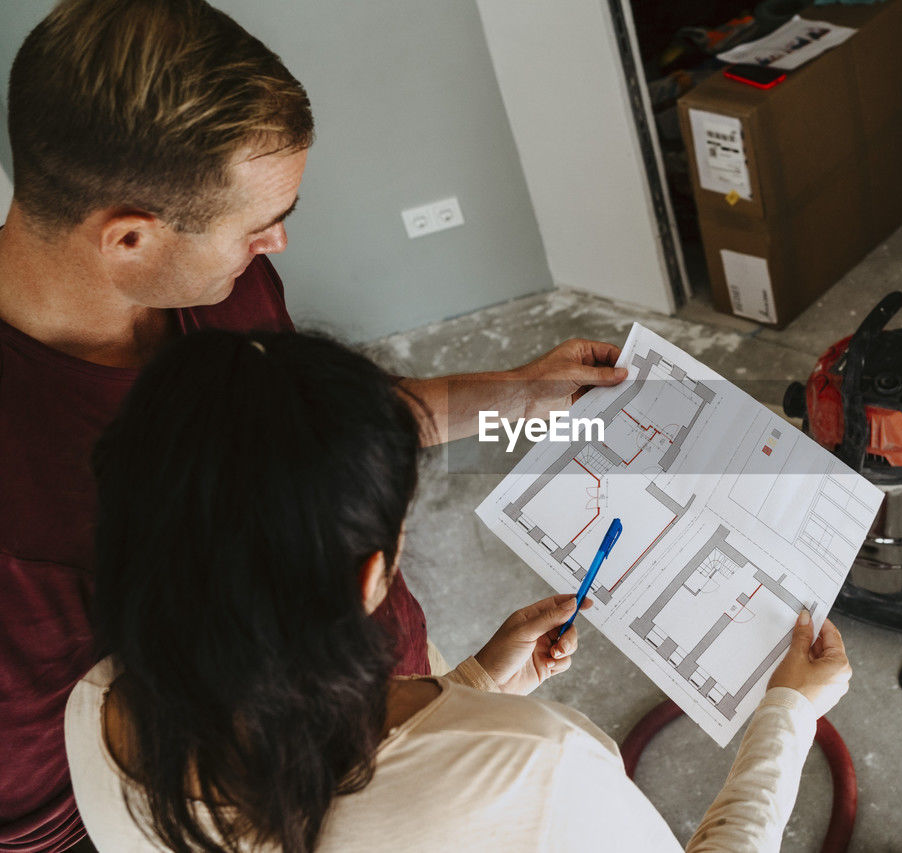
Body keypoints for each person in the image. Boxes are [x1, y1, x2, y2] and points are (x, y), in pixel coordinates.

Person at [0, 1, 624, 849]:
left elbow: (310, 441)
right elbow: (50, 814)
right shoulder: (18, 518)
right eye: (257, 226)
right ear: (132, 239)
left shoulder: (217, 285)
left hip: (385, 687)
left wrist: (510, 393)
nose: (280, 241)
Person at [64, 329, 854, 852]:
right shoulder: (536, 767)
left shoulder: (99, 710)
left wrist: (466, 685)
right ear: (373, 575)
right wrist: (786, 715)